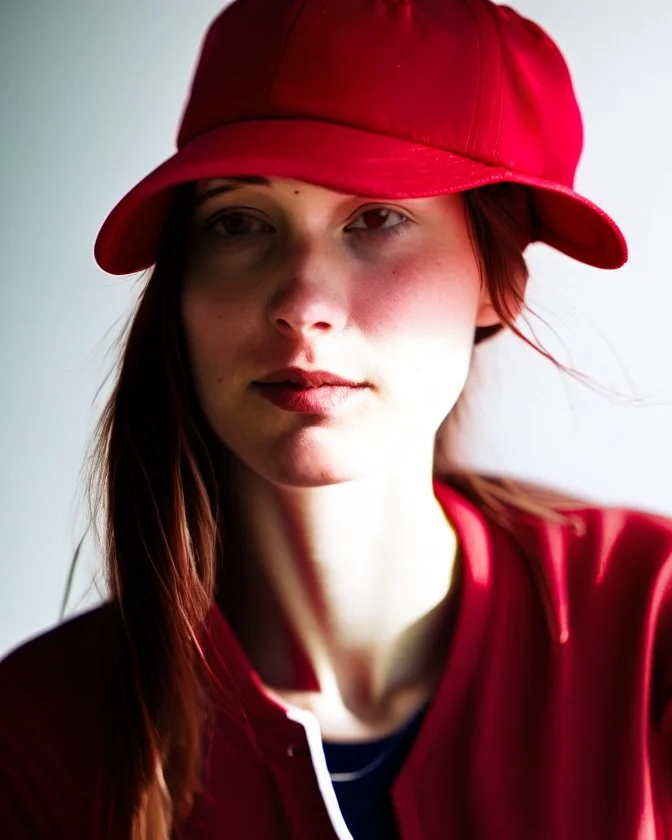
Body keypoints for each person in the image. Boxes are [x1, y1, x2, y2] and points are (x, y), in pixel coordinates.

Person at [2, 0, 671, 838]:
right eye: (239, 222)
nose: (302, 304)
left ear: (499, 282)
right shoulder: (35, 739)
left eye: (378, 218)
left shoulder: (651, 623)